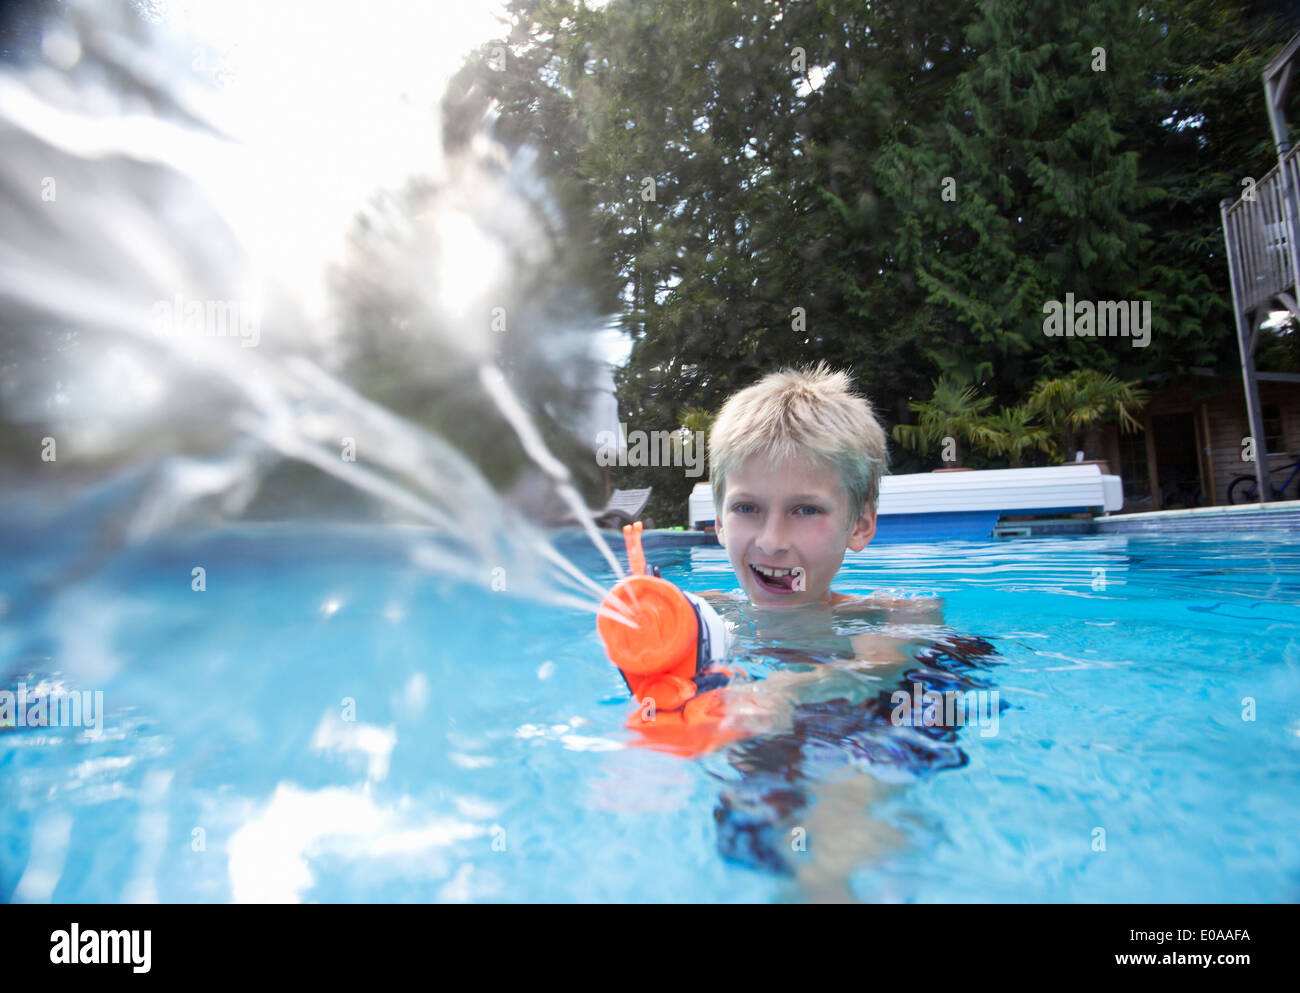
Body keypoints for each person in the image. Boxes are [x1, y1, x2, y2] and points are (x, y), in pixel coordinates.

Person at [688, 362, 1002, 900]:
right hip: (787, 711)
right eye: (746, 508)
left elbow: (880, 667)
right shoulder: (711, 614)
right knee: (749, 797)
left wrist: (793, 687)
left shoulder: (895, 613)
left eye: (805, 509)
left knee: (845, 797)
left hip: (898, 702)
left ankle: (836, 878)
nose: (770, 540)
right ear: (718, 521)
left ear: (860, 524)